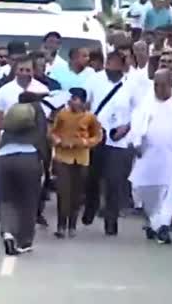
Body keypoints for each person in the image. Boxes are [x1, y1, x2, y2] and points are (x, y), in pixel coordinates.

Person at [129, 69, 172, 245]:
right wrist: (136, 142)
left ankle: (163, 225)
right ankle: (155, 224)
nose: (159, 89)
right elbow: (137, 124)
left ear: (171, 85)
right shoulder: (146, 102)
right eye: (156, 85)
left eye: (163, 85)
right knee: (146, 192)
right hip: (148, 157)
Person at [82, 50, 135, 234]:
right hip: (96, 135)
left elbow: (139, 110)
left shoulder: (132, 83)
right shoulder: (94, 80)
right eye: (109, 62)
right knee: (92, 177)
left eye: (116, 63)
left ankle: (111, 219)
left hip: (119, 139)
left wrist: (127, 127)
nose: (111, 66)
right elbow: (85, 103)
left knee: (114, 180)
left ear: (122, 65)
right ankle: (91, 205)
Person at [0, 96, 45, 255]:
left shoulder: (11, 119)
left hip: (4, 158)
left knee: (7, 199)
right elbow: (43, 139)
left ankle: (7, 232)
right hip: (28, 158)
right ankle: (24, 241)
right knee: (28, 201)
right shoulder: (37, 114)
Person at [50, 87, 103, 239]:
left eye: (76, 99)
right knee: (63, 192)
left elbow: (97, 136)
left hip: (81, 158)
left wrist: (84, 142)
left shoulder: (90, 118)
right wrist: (58, 141)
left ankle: (72, 225)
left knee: (77, 194)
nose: (73, 101)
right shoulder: (62, 115)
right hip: (63, 157)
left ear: (82, 101)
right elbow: (53, 132)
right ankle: (61, 225)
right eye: (72, 98)